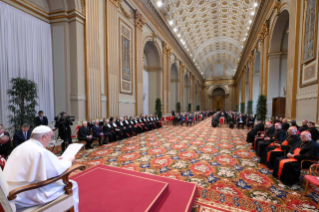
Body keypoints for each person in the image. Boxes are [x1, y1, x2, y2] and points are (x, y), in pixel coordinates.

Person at [3, 126, 79, 211]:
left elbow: (36, 166)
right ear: (44, 137)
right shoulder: (40, 151)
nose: (50, 140)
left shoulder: (20, 147)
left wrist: (55, 160)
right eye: (51, 137)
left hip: (12, 193)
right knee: (73, 184)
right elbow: (57, 171)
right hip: (28, 195)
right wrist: (69, 162)